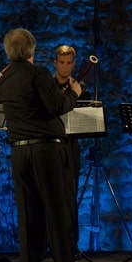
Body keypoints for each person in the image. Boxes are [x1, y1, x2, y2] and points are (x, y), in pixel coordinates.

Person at [0, 28, 81, 262]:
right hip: (45, 150)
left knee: (28, 218)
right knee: (58, 216)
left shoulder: (4, 78)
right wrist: (74, 93)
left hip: (19, 151)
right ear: (32, 49)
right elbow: (57, 106)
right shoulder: (39, 73)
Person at [53, 44, 92, 251]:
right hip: (50, 144)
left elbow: (85, 117)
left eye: (69, 63)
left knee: (70, 195)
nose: (65, 67)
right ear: (55, 63)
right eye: (62, 62)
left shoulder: (80, 88)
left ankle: (71, 244)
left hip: (70, 145)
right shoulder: (47, 86)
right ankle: (50, 243)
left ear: (74, 64)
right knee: (50, 195)